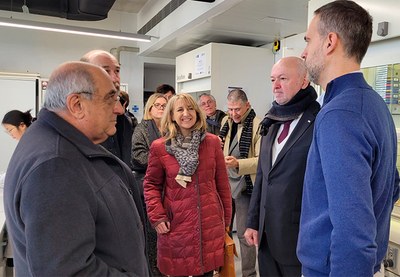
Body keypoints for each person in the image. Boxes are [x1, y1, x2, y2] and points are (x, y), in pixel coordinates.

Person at [4, 61, 149, 276]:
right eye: (111, 99)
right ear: (77, 105)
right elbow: (66, 270)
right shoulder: (55, 165)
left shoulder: (60, 145)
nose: (118, 109)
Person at [297, 1, 400, 277]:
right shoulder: (374, 104)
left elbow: (353, 230)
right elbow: (393, 185)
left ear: (330, 41)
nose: (304, 53)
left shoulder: (339, 113)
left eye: (308, 41)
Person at [244, 57, 320, 277]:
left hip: (298, 240)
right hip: (266, 239)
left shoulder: (319, 121)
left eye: (283, 79)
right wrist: (253, 222)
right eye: (272, 80)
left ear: (304, 81)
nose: (275, 86)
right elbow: (262, 176)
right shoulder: (272, 120)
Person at [143, 93, 232, 277]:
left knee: (207, 271)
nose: (186, 113)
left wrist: (226, 220)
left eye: (190, 108)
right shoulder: (160, 147)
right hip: (176, 225)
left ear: (198, 112)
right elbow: (151, 185)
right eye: (180, 109)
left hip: (209, 222)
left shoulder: (212, 142)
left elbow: (222, 184)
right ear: (172, 115)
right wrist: (157, 217)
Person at [219, 89, 261, 277]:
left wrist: (238, 163)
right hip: (225, 185)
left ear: (247, 105)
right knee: (222, 231)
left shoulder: (258, 125)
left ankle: (249, 274)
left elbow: (263, 160)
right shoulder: (225, 122)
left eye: (237, 109)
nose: (234, 114)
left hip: (246, 187)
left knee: (245, 236)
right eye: (230, 109)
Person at [131, 93, 167, 277]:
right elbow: (137, 155)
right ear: (150, 108)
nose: (161, 108)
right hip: (148, 185)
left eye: (164, 105)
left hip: (169, 188)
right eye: (157, 105)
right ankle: (153, 270)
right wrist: (163, 162)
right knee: (153, 232)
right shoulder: (142, 128)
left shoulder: (170, 128)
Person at [81, 50, 133, 168]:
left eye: (117, 71)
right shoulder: (75, 121)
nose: (114, 78)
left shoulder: (123, 121)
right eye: (106, 70)